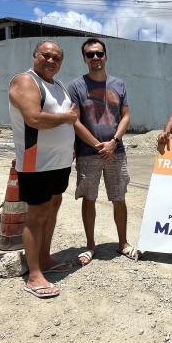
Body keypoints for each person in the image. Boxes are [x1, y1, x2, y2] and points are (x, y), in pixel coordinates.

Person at [8, 40, 79, 299]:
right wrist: (66, 119)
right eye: (46, 55)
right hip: (36, 162)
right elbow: (34, 118)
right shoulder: (26, 81)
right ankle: (34, 274)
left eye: (56, 58)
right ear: (35, 55)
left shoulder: (58, 85)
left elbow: (68, 119)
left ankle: (46, 258)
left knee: (53, 208)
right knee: (36, 215)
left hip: (59, 162)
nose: (51, 61)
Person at [68, 38, 139, 266]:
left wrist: (113, 142)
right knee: (89, 199)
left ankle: (123, 243)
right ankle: (90, 246)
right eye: (90, 54)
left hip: (116, 152)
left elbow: (126, 116)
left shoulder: (119, 84)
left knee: (119, 198)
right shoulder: (76, 86)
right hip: (89, 153)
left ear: (106, 56)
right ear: (84, 58)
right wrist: (99, 146)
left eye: (99, 53)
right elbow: (75, 121)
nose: (95, 58)